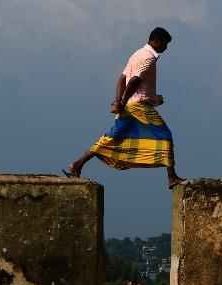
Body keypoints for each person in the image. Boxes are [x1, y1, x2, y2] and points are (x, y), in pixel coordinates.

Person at [65, 27, 186, 190]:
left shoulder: (137, 54)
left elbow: (122, 80)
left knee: (113, 136)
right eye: (165, 43)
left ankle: (78, 164)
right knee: (164, 135)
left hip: (129, 105)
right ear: (156, 41)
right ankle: (172, 177)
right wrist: (121, 102)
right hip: (139, 107)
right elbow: (133, 81)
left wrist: (119, 101)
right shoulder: (148, 58)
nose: (166, 48)